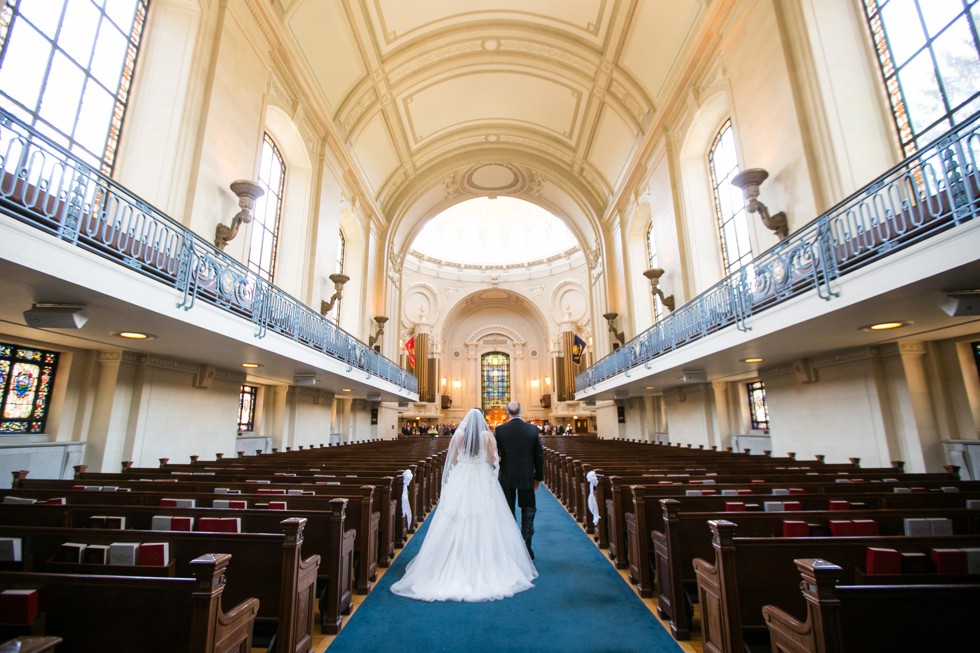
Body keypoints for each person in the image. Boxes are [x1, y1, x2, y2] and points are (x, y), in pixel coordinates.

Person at [390, 408, 537, 602]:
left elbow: (452, 461)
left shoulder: (458, 435)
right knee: (486, 517)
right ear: (482, 420)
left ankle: (448, 561)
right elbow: (493, 460)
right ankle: (488, 562)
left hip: (463, 476)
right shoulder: (487, 436)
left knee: (456, 516)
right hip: (481, 477)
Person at [494, 400, 545, 559]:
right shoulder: (532, 429)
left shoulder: (500, 430)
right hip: (526, 476)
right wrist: (538, 477)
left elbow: (496, 455)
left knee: (508, 512)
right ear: (521, 411)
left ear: (507, 412)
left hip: (506, 476)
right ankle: (526, 546)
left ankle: (510, 549)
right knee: (528, 509)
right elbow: (539, 455)